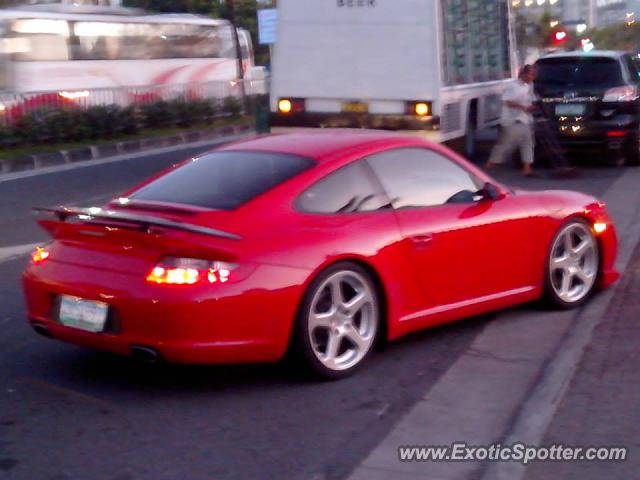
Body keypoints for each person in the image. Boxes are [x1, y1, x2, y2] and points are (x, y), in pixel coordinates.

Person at [485, 64, 537, 177]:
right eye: (531, 74)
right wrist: (524, 107)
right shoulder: (513, 86)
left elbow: (531, 99)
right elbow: (507, 101)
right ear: (524, 74)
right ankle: (490, 163)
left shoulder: (529, 85)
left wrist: (533, 106)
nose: (533, 77)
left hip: (524, 119)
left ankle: (527, 168)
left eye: (534, 75)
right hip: (511, 119)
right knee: (505, 144)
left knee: (527, 142)